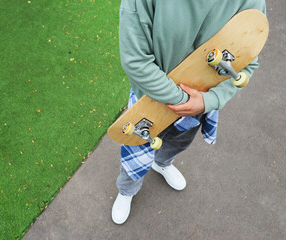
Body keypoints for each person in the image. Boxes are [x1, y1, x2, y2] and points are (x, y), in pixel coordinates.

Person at [112, 0, 266, 225]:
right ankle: (127, 189)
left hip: (199, 106)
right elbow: (136, 60)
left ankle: (162, 164)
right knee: (136, 152)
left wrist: (207, 101)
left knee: (178, 143)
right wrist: (184, 102)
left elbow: (247, 62)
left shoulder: (250, 2)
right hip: (150, 102)